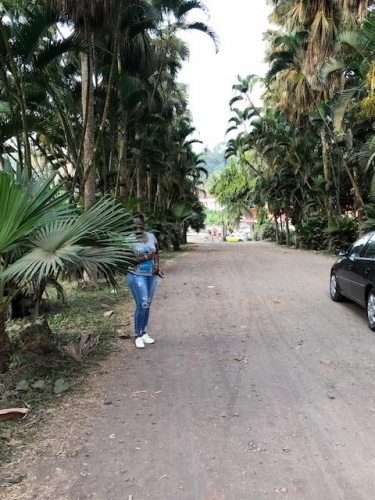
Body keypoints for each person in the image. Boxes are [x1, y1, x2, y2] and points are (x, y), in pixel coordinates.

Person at [126, 214, 160, 348]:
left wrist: (156, 266)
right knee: (142, 304)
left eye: (140, 225)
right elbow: (128, 259)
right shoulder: (128, 240)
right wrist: (146, 257)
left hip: (151, 275)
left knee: (148, 304)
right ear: (132, 227)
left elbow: (156, 253)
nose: (138, 228)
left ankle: (144, 332)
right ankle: (137, 335)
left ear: (143, 225)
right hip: (136, 275)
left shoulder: (151, 237)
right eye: (135, 226)